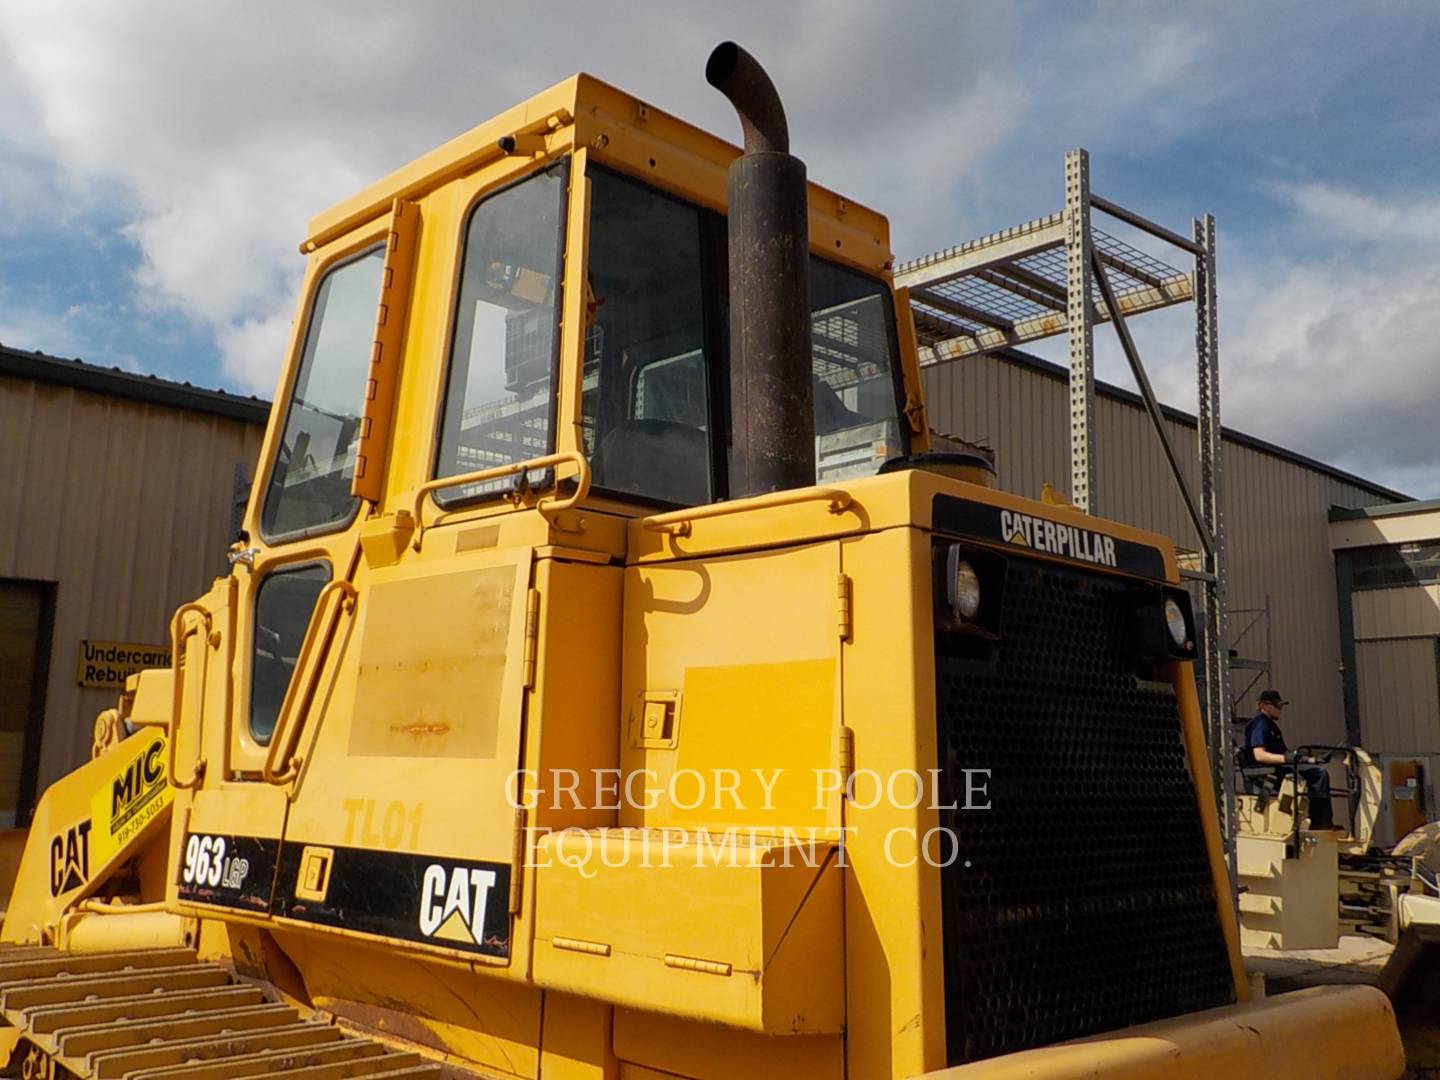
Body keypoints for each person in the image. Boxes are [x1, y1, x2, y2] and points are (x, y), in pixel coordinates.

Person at [1241, 689, 1335, 829]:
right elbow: (1259, 755)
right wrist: (1286, 758)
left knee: (1317, 770)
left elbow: (1285, 755)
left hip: (1276, 769)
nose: (1281, 709)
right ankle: (1320, 821)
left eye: (1281, 705)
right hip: (1268, 773)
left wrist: (1310, 760)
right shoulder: (1260, 725)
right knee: (1319, 774)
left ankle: (1319, 820)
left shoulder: (1271, 726)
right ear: (1263, 705)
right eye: (1277, 705)